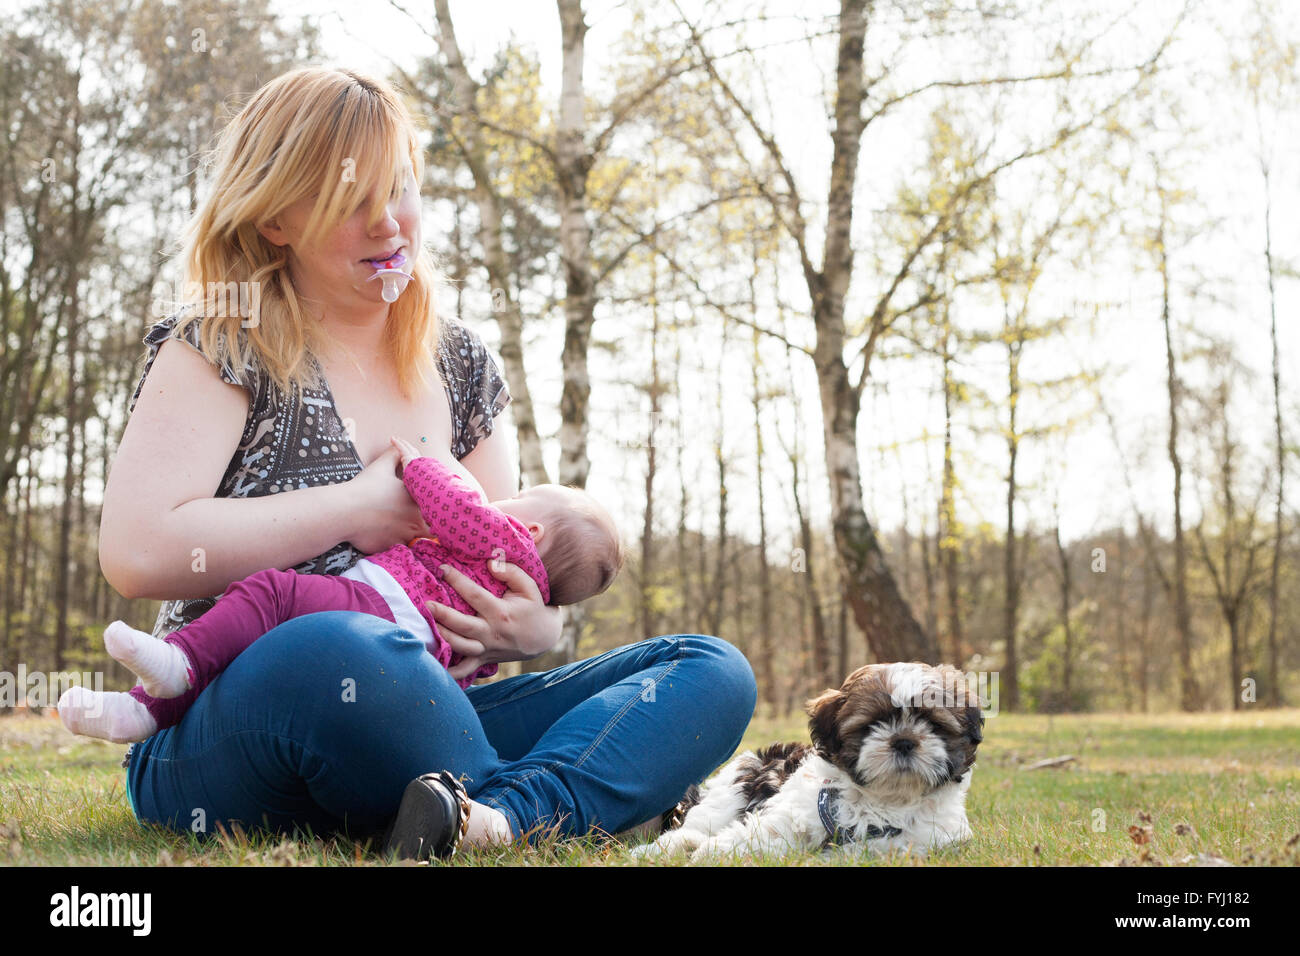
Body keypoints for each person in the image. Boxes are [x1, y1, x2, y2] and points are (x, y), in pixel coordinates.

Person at [93, 66, 755, 856]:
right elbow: (137, 554)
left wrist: (530, 627)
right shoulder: (223, 339)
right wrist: (355, 510)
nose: (388, 225)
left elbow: (494, 562)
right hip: (232, 721)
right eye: (350, 202)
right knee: (339, 647)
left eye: (400, 189)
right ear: (276, 220)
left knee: (710, 669)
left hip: (433, 713)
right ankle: (577, 801)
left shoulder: (461, 364)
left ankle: (491, 821)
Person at [60, 437, 624, 743]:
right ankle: (145, 712)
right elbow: (474, 665)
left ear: (531, 531)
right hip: (409, 660)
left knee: (272, 597)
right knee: (250, 647)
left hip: (375, 610)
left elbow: (458, 506)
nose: (508, 498)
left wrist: (419, 463)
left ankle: (179, 661)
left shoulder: (503, 540)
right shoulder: (510, 586)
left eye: (522, 497)